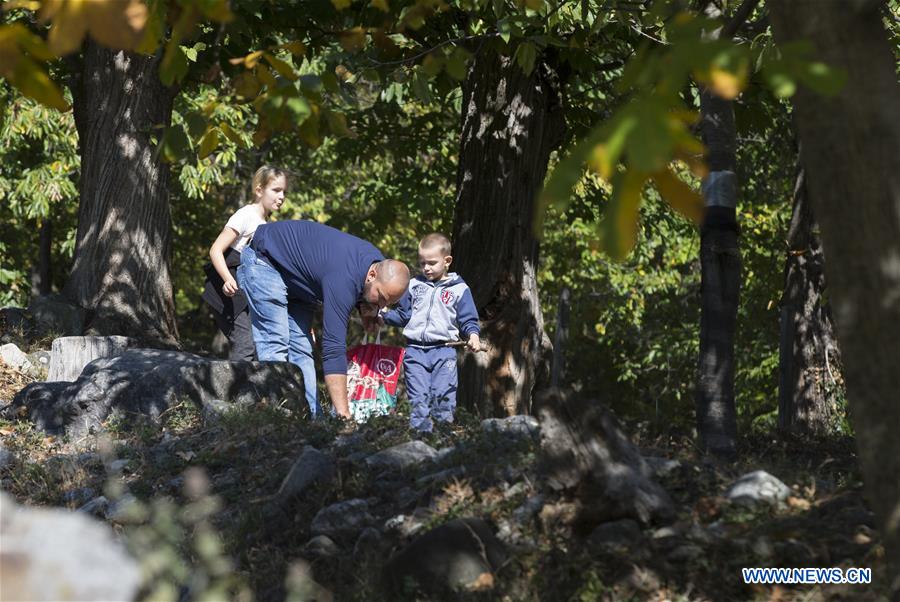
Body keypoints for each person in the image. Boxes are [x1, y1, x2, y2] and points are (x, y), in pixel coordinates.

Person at [237, 220, 410, 419]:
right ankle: (276, 419)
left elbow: (374, 291)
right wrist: (344, 415)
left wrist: (367, 307)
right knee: (275, 340)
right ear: (372, 275)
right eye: (380, 298)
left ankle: (313, 418)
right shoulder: (343, 280)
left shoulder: (378, 264)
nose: (382, 306)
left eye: (388, 302)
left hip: (301, 284)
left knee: (302, 349)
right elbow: (333, 349)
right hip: (266, 259)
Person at [381, 233, 480, 433]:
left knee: (443, 395)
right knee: (418, 397)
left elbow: (468, 319)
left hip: (444, 351)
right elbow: (403, 315)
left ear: (447, 261)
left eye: (432, 263)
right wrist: (383, 316)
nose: (426, 268)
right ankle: (421, 438)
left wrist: (473, 335)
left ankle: (443, 436)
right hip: (415, 351)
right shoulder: (414, 285)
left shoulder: (459, 289)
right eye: (422, 263)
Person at [202, 165, 287, 361]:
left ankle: (252, 390)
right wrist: (226, 279)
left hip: (246, 294)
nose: (281, 196)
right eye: (276, 190)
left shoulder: (266, 225)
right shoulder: (246, 215)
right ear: (259, 190)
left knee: (258, 346)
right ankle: (236, 391)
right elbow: (215, 250)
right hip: (226, 290)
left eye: (284, 191)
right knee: (245, 344)